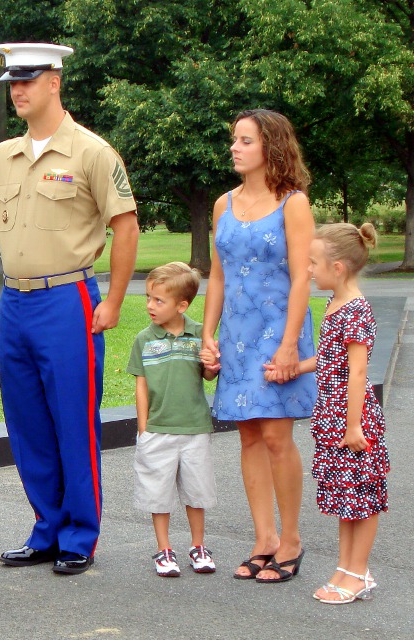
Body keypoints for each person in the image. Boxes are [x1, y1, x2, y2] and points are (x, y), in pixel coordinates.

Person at [0, 43, 139, 574]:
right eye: (12, 81)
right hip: (15, 302)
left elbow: (126, 226)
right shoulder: (4, 155)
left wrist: (115, 299)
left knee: (73, 420)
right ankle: (46, 527)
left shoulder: (92, 152)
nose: (18, 89)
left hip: (67, 298)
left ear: (55, 81)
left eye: (28, 79)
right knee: (26, 422)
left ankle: (79, 536)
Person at [201, 109, 316, 583]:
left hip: (278, 333)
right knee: (248, 434)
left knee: (275, 436)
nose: (234, 147)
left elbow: (304, 277)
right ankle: (263, 537)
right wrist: (207, 335)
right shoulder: (222, 204)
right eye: (234, 140)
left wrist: (290, 345)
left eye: (245, 140)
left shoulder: (293, 203)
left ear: (270, 147)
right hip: (236, 336)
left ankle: (291, 540)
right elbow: (218, 276)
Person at [266, 222, 390, 604]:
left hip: (353, 418)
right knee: (345, 498)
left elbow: (357, 370)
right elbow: (330, 357)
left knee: (363, 498)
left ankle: (358, 572)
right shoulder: (334, 304)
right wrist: (293, 368)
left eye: (313, 263)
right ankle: (346, 567)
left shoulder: (355, 309)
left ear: (337, 267)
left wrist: (354, 425)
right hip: (334, 413)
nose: (308, 270)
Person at [126, 262, 218, 577]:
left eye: (159, 301)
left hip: (194, 427)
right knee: (158, 492)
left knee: (196, 491)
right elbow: (140, 384)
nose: (150, 306)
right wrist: (143, 427)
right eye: (149, 298)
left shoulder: (198, 335)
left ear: (182, 305)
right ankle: (164, 549)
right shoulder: (143, 339)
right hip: (157, 429)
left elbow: (207, 376)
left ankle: (198, 546)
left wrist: (212, 366)